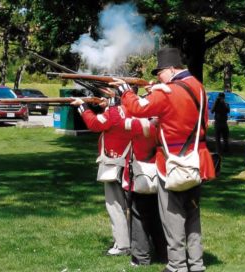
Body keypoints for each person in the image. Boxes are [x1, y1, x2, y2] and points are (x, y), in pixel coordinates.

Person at [109, 47, 215, 272]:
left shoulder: (166, 91)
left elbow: (137, 108)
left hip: (171, 163)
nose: (157, 76)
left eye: (159, 72)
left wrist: (126, 91)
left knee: (172, 217)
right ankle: (196, 264)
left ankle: (176, 265)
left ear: (170, 69)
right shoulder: (199, 87)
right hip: (197, 160)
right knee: (193, 216)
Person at [70, 96, 131, 256]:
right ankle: (137, 242)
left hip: (116, 164)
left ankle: (123, 245)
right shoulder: (134, 108)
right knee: (132, 207)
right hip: (132, 163)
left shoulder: (114, 112)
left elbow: (94, 124)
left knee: (115, 206)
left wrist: (83, 106)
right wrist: (105, 105)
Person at [118, 115, 168, 266]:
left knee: (139, 218)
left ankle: (141, 257)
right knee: (158, 218)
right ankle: (164, 253)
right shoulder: (164, 123)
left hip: (140, 177)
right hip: (161, 174)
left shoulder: (136, 124)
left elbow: (117, 124)